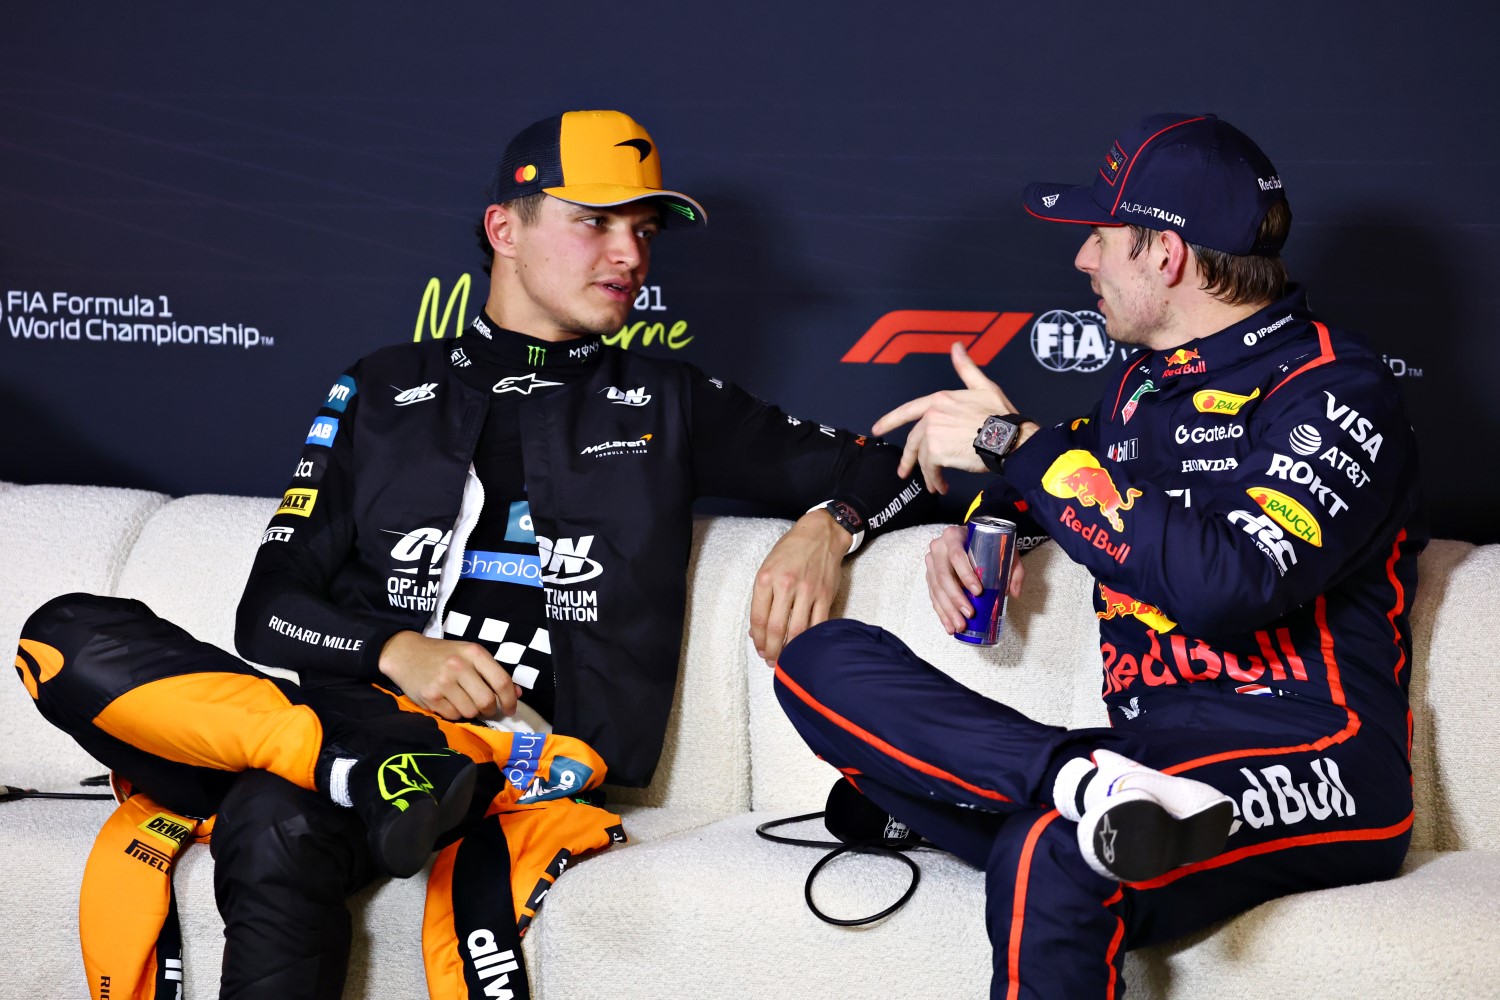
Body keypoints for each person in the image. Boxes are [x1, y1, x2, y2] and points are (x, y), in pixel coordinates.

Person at [16, 109, 935, 1000]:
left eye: (643, 230)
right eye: (595, 222)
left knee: (268, 814)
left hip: (513, 766)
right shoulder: (380, 388)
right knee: (61, 636)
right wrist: (393, 653)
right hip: (359, 727)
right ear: (505, 228)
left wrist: (832, 524)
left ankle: (354, 769)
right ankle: (361, 766)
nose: (630, 255)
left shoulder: (668, 400)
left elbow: (917, 467)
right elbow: (269, 610)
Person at [774, 112, 1426, 999]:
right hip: (1139, 766)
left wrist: (1016, 443)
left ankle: (1037, 800)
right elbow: (1059, 477)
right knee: (813, 662)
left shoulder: (1337, 392)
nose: (1082, 260)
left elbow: (1228, 581)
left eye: (1102, 237)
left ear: (1166, 255)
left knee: (1048, 849)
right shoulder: (1138, 389)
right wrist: (991, 525)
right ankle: (1074, 782)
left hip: (1319, 758)